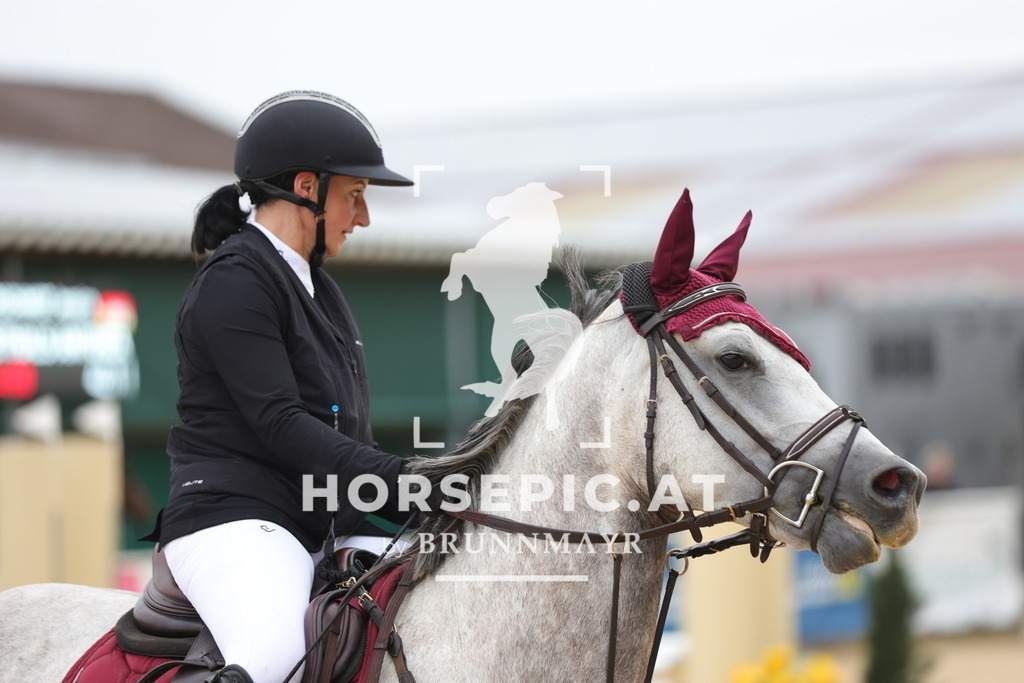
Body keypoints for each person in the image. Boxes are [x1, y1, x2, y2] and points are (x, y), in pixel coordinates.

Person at [142, 90, 416, 683]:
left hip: (321, 519)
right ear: (306, 187)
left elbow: (349, 431)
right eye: (356, 197)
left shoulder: (321, 290)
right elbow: (282, 426)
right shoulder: (235, 282)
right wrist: (403, 482)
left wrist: (434, 494)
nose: (363, 219)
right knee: (275, 654)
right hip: (234, 519)